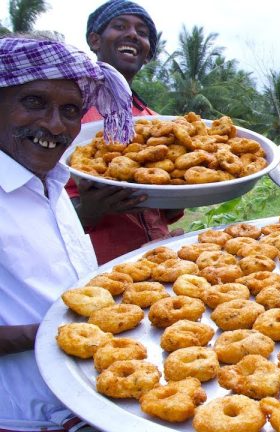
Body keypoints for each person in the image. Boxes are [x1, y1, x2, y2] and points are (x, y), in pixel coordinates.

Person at [0, 36, 134, 431]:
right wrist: (55, 331)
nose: (55, 125)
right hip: (23, 418)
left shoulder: (51, 182)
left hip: (91, 402)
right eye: (34, 102)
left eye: (71, 110)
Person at [67, 0, 183, 265]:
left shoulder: (154, 122)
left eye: (142, 33)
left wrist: (181, 194)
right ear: (94, 40)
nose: (133, 34)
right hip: (94, 267)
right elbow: (33, 210)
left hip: (156, 260)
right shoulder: (69, 112)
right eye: (120, 26)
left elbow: (167, 211)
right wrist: (88, 210)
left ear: (148, 53)